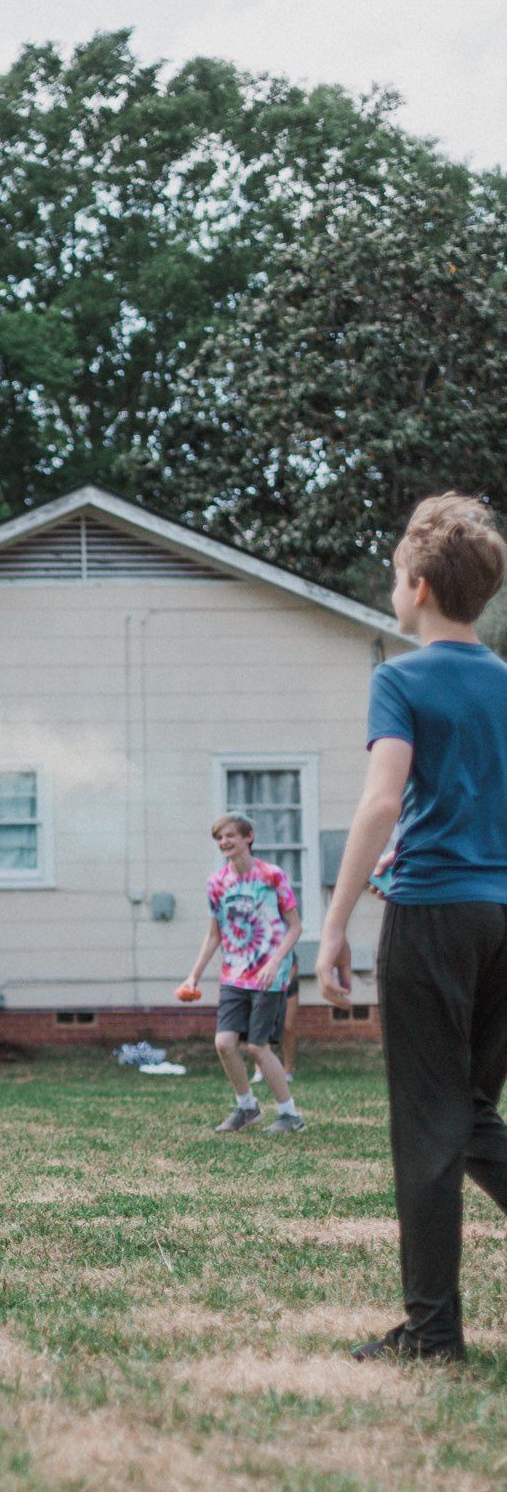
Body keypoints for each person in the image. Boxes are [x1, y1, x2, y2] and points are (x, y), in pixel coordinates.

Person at [318, 492, 507, 1363]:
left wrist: (333, 922)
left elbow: (383, 800)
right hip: (503, 914)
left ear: (420, 587)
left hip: (431, 909)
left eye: (396, 577)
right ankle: (430, 1328)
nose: (393, 589)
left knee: (430, 1124)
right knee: (468, 1114)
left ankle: (434, 1336)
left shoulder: (398, 679)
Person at [181, 816, 305, 1134]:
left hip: (269, 975)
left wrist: (276, 962)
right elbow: (214, 935)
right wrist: (193, 976)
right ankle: (247, 1107)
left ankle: (290, 1115)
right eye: (219, 837)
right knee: (224, 1043)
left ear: (249, 837)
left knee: (257, 1046)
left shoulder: (271, 876)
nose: (224, 842)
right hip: (234, 975)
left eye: (231, 835)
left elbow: (295, 926)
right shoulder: (217, 883)